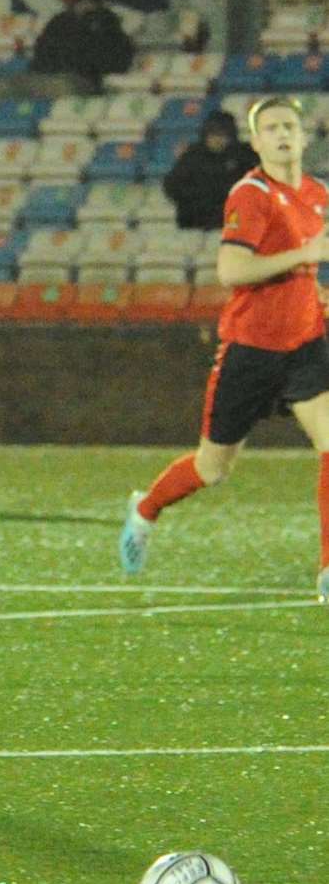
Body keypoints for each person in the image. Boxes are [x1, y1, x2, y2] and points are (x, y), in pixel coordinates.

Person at [120, 97, 329, 598]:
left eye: (290, 127)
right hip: (251, 350)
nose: (282, 134)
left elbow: (306, 273)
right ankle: (145, 509)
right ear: (255, 143)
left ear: (304, 137)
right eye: (271, 128)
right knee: (213, 468)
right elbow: (232, 271)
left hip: (305, 344)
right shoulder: (250, 193)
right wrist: (305, 254)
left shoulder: (318, 193)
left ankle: (327, 569)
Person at [24, 0, 135, 96]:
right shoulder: (58, 22)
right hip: (51, 76)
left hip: (85, 80)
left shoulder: (108, 23)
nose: (85, 7)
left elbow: (120, 57)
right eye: (81, 3)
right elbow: (42, 53)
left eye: (90, 3)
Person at [162, 110, 257, 231]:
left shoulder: (244, 156)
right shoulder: (192, 156)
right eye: (213, 135)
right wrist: (196, 199)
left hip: (236, 225)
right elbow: (172, 185)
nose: (217, 140)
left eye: (223, 135)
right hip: (196, 224)